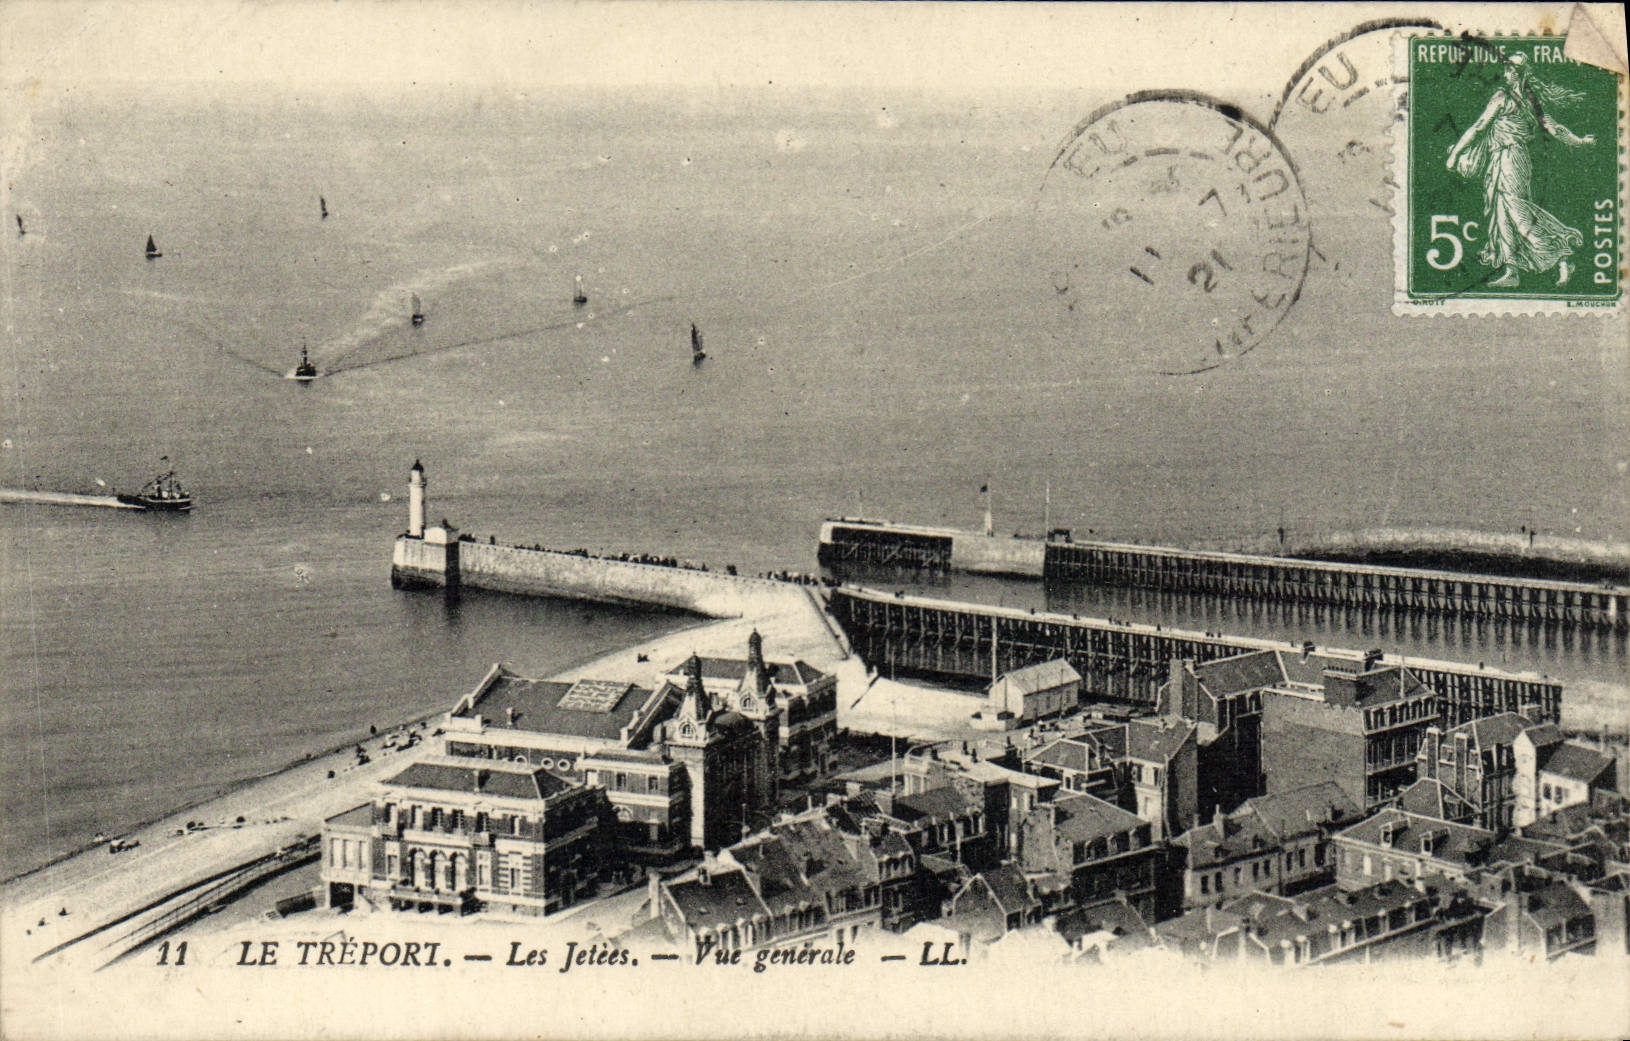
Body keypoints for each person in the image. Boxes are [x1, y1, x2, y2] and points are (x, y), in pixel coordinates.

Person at [1446, 52, 1594, 288]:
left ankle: (1563, 252)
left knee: (1516, 211)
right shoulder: (1531, 100)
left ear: (1515, 73)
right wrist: (1580, 141)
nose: (1505, 73)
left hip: (1509, 158)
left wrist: (1454, 155)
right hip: (1507, 158)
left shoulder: (1503, 97)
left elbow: (1479, 126)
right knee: (1502, 213)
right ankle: (1512, 270)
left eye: (1508, 69)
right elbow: (1555, 129)